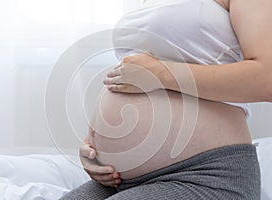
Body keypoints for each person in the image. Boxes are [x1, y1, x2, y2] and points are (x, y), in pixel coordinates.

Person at [60, 0, 272, 199]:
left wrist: (161, 74)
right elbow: (136, 72)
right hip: (118, 180)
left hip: (205, 176)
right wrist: (94, 149)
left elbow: (267, 79)